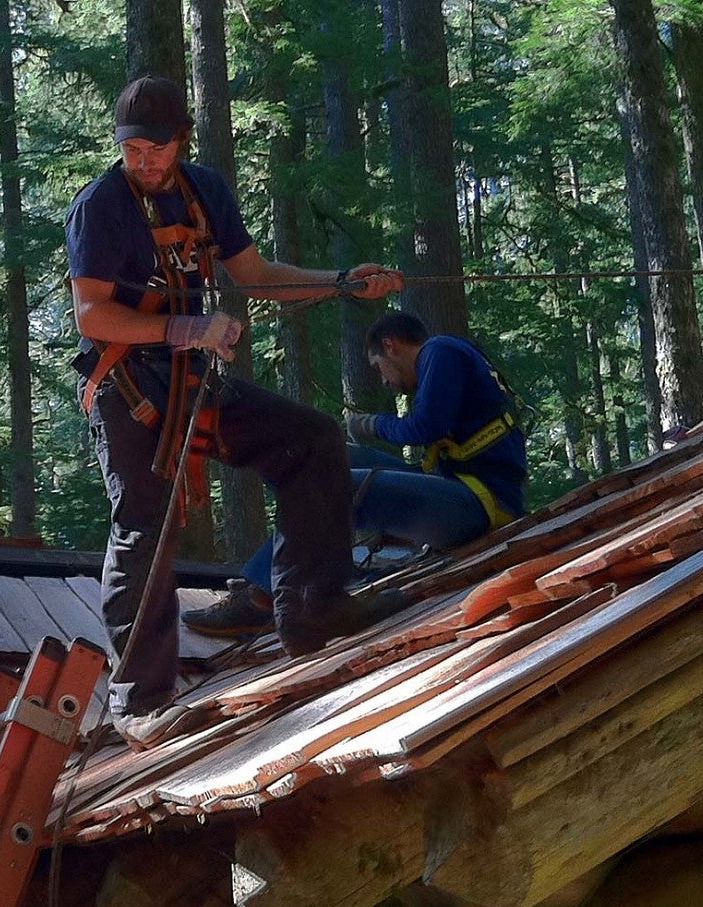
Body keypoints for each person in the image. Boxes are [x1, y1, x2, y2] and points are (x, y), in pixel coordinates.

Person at [66, 75, 406, 750]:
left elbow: (255, 277)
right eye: (132, 150)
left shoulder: (205, 192)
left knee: (311, 442)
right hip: (128, 388)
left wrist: (339, 284)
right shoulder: (100, 206)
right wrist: (186, 331)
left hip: (192, 381)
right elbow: (93, 312)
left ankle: (315, 609)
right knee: (148, 523)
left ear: (179, 141)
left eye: (156, 148)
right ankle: (140, 702)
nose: (144, 161)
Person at [185, 311, 528, 636]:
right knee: (329, 457)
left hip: (480, 503)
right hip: (455, 486)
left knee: (343, 486)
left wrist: (371, 424)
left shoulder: (439, 351)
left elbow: (426, 427)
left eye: (379, 367)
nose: (384, 379)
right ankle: (293, 576)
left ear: (390, 345)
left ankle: (260, 597)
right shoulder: (450, 355)